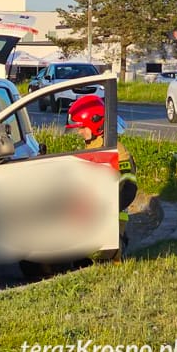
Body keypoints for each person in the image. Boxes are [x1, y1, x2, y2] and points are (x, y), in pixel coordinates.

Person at [65, 95, 138, 261]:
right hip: (91, 213)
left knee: (100, 257)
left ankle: (116, 252)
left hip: (110, 219)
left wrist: (108, 208)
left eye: (82, 127)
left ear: (95, 123)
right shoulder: (93, 146)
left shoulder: (117, 152)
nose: (79, 131)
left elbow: (129, 186)